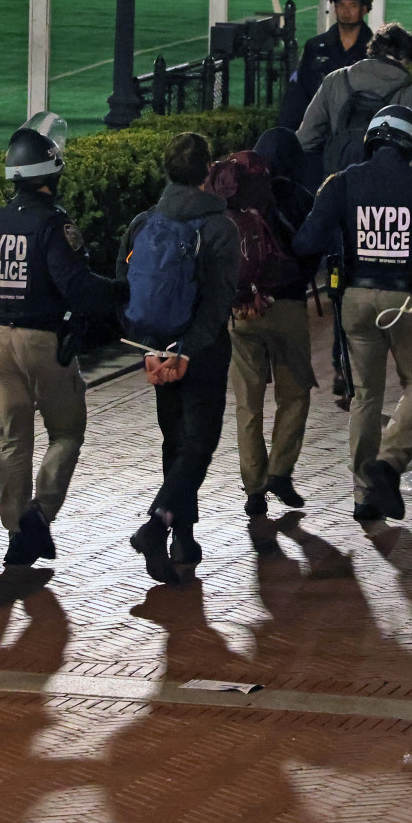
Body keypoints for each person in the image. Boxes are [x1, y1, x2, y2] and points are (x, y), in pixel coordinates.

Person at [0, 112, 118, 568]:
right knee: (66, 431)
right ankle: (39, 515)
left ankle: (15, 532)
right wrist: (123, 291)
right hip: (43, 341)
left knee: (12, 439)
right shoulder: (53, 223)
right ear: (51, 173)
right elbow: (77, 287)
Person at [291, 105, 412, 525]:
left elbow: (306, 241)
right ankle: (388, 464)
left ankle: (364, 496)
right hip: (406, 301)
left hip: (355, 301)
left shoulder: (342, 182)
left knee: (365, 396)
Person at [118, 132, 241, 586]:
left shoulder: (143, 222)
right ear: (208, 171)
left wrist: (150, 353)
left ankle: (183, 540)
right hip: (202, 352)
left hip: (156, 349)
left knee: (175, 441)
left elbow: (126, 290)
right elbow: (218, 301)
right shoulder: (221, 228)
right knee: (199, 444)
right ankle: (159, 526)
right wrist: (186, 351)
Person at [224, 127, 318, 518]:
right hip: (288, 308)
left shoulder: (233, 198)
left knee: (248, 402)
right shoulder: (299, 197)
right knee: (294, 394)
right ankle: (280, 470)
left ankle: (254, 487)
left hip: (242, 311)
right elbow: (314, 248)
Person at [295, 22, 412, 178]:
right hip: (386, 183)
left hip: (339, 180)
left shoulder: (336, 80)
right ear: (405, 57)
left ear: (373, 50)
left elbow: (305, 138)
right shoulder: (407, 91)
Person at [275, 0, 375, 134]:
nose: (345, 11)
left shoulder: (375, 51)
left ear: (365, 9)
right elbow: (298, 94)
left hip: (358, 134)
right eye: (340, 5)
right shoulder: (315, 47)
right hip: (318, 131)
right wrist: (286, 133)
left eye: (353, 5)